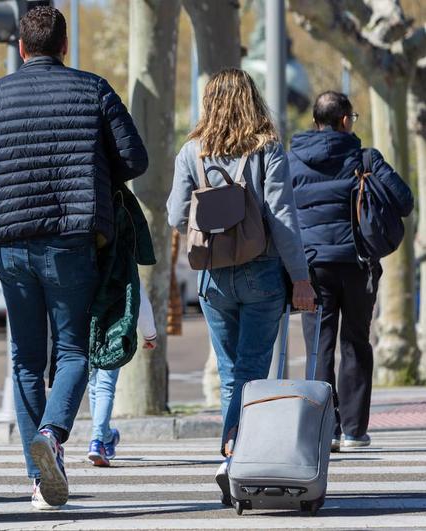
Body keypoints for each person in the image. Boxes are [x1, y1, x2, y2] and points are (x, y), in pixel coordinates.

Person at [0, 6, 147, 510]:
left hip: (11, 247)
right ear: (64, 46)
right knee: (76, 350)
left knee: (25, 359)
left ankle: (39, 479)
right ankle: (52, 436)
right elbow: (135, 159)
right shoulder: (93, 89)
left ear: (20, 47)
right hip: (72, 241)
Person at [166, 68, 316, 501]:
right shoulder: (267, 148)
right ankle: (233, 452)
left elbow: (177, 216)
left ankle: (234, 456)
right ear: (252, 100)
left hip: (213, 277)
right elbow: (282, 217)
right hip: (263, 271)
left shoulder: (191, 151)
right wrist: (301, 279)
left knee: (232, 374)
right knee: (252, 371)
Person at [288, 91, 414, 451]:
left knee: (319, 347)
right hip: (358, 265)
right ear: (345, 120)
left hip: (311, 268)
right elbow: (404, 201)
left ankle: (322, 429)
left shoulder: (291, 160)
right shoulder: (366, 158)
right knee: (356, 343)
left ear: (316, 121)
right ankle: (355, 431)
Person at [87, 283, 157, 467]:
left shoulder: (83, 257)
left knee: (94, 385)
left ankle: (105, 437)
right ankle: (99, 440)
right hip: (115, 331)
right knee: (104, 386)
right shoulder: (123, 258)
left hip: (88, 329)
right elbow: (138, 297)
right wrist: (150, 334)